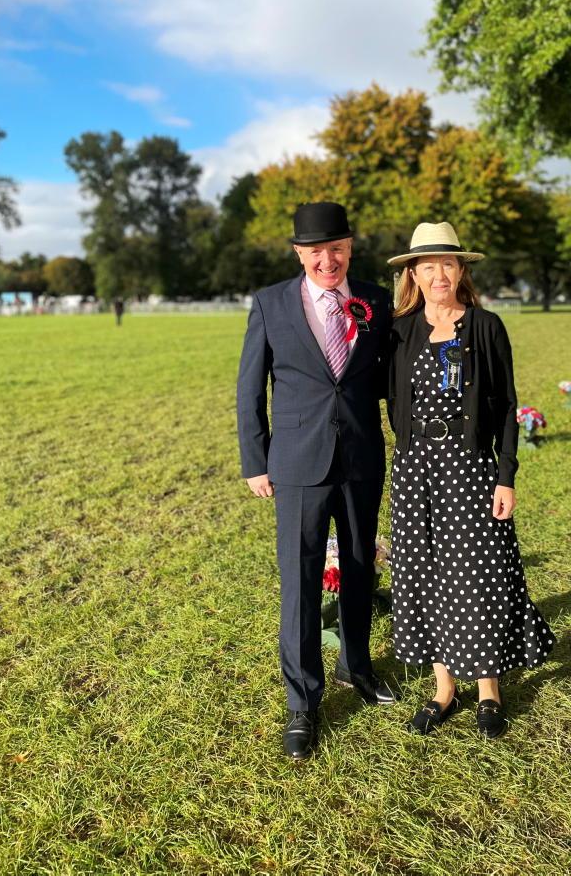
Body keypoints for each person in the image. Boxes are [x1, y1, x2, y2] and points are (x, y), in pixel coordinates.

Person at [237, 202, 396, 761]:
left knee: (359, 567)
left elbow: (390, 377)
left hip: (361, 459)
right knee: (301, 582)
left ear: (350, 249)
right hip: (297, 463)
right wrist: (255, 460)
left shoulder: (377, 301)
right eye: (316, 252)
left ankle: (357, 666)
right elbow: (250, 388)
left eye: (337, 249)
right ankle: (303, 702)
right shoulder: (271, 303)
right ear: (299, 254)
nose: (328, 260)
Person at [387, 221, 556, 739]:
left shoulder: (486, 326)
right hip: (415, 468)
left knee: (477, 575)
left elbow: (506, 406)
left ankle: (487, 690)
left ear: (461, 270)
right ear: (413, 274)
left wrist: (506, 476)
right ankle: (444, 689)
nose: (439, 274)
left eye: (448, 263)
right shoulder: (399, 331)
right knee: (424, 575)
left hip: (469, 466)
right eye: (428, 266)